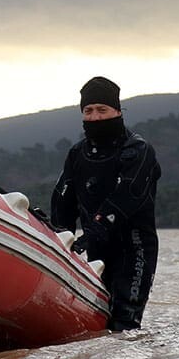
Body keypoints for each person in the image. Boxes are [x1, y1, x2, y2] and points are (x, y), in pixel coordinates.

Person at [50, 76, 161, 331]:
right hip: (97, 249)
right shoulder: (77, 154)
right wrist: (59, 242)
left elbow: (128, 196)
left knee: (123, 324)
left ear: (118, 111)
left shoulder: (138, 150)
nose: (96, 117)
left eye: (102, 110)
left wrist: (93, 231)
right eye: (88, 111)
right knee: (98, 322)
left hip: (135, 250)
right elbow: (62, 203)